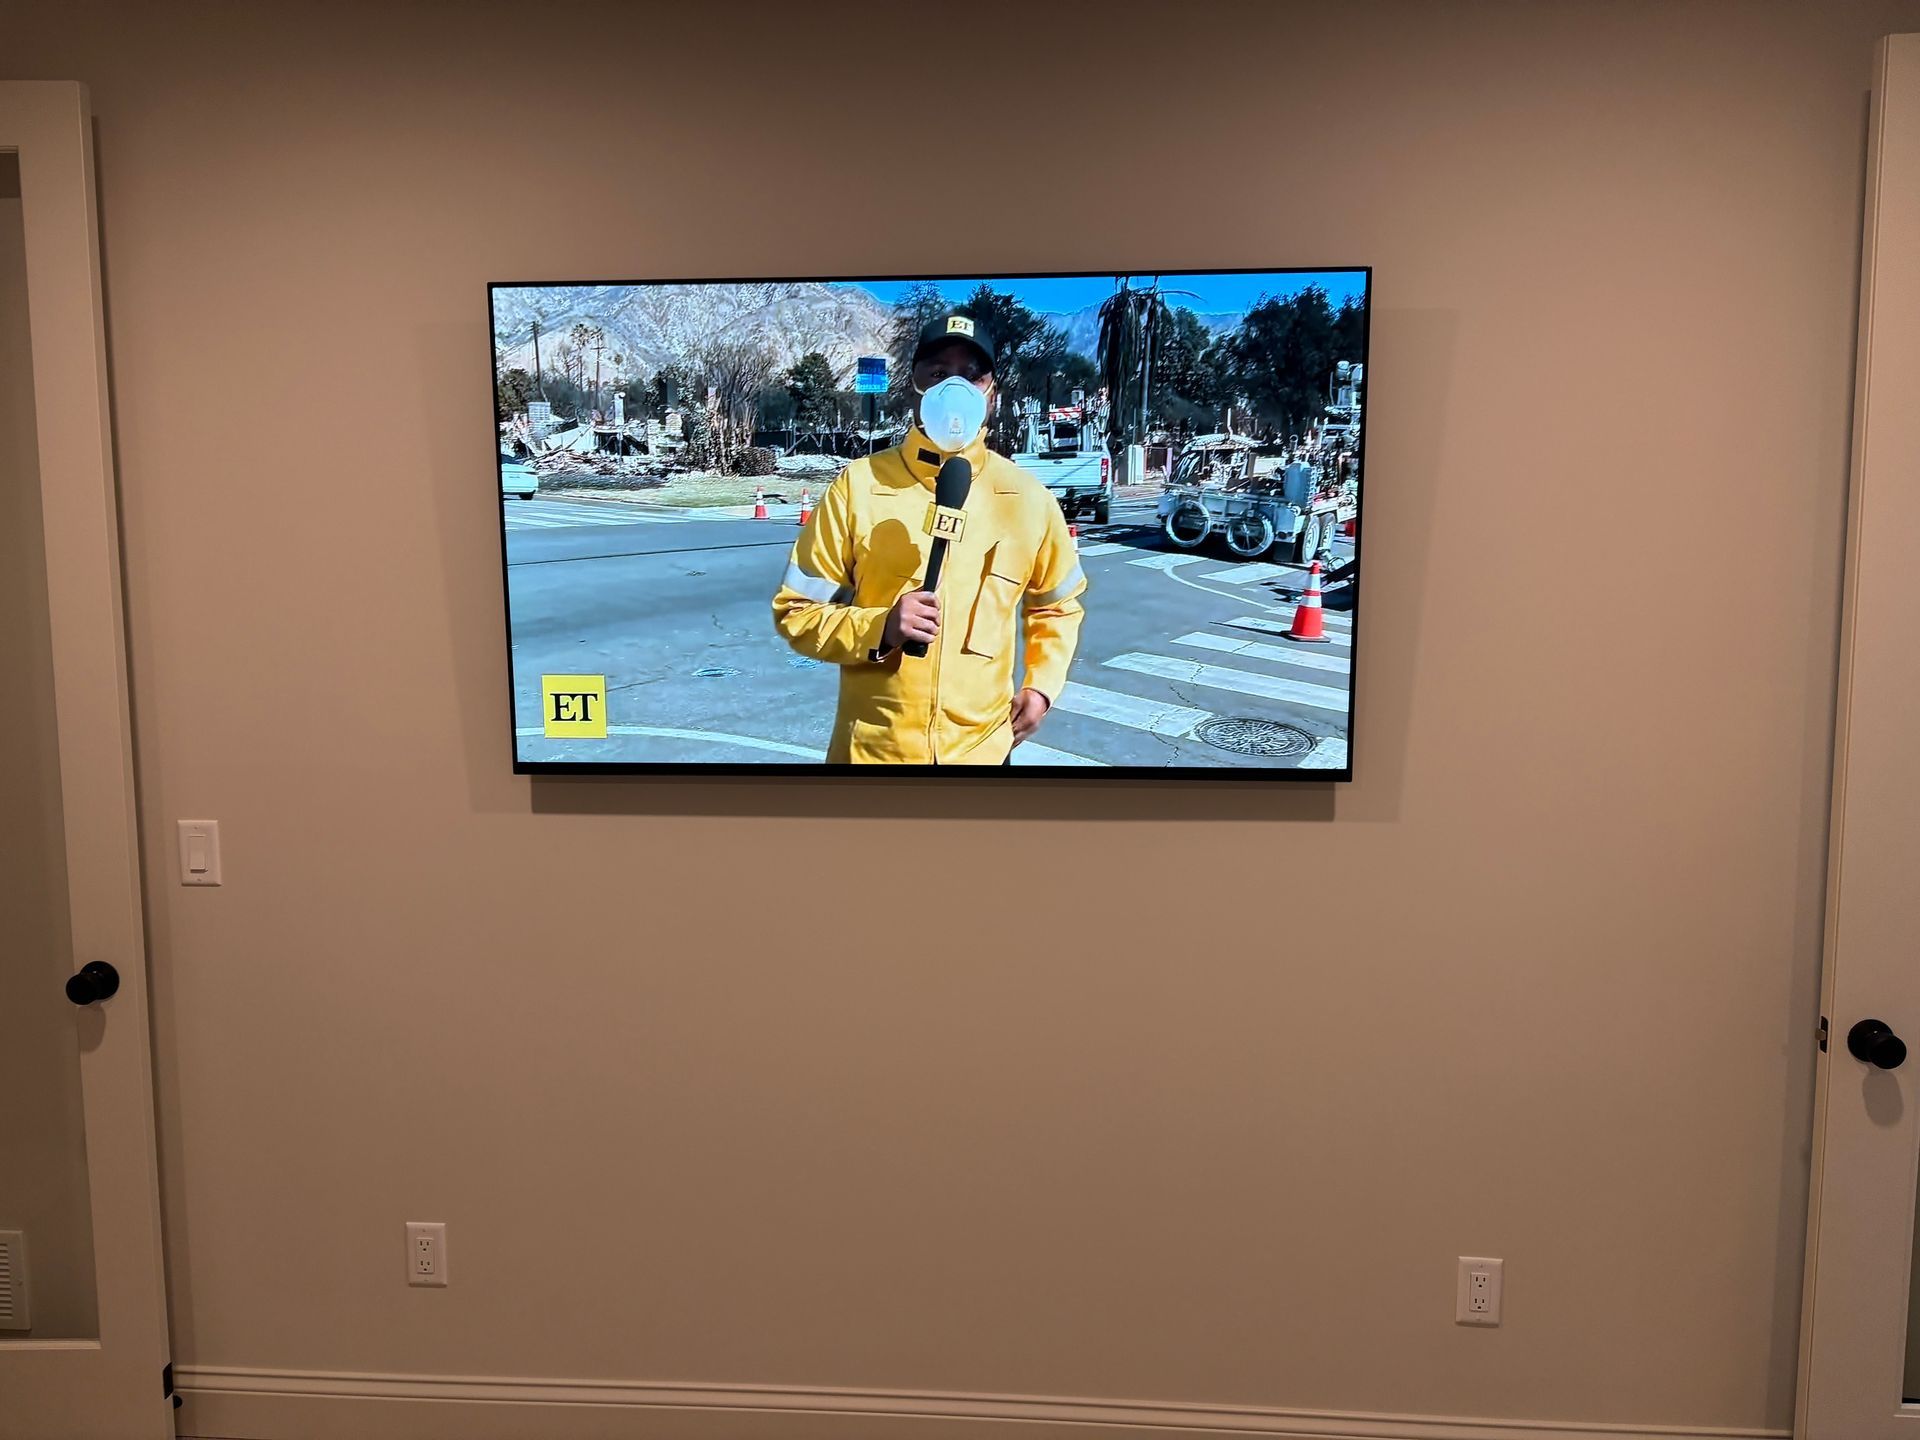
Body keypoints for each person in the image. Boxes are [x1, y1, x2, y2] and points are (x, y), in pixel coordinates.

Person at [772, 309, 1086, 764]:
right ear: (913, 385)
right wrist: (881, 627)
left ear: (991, 391)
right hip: (874, 754)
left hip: (982, 752)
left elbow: (1057, 607)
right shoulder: (858, 487)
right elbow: (796, 613)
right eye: (938, 373)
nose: (953, 388)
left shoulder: (1027, 498)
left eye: (971, 375)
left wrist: (1041, 687)